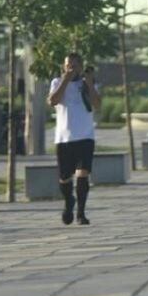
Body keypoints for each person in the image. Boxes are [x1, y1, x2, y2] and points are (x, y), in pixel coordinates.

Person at [48, 53, 101, 226]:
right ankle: (69, 202)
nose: (71, 68)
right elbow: (53, 100)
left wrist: (90, 82)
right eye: (68, 65)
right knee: (64, 178)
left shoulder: (87, 84)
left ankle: (81, 213)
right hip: (64, 138)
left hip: (85, 136)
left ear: (81, 67)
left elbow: (97, 104)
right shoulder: (57, 82)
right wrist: (65, 79)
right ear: (63, 66)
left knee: (83, 174)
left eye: (75, 65)